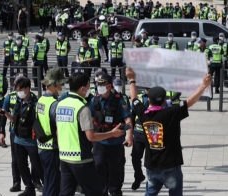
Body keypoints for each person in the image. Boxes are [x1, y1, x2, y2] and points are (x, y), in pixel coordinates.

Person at [126, 68, 212, 196]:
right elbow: (189, 102)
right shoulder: (171, 113)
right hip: (171, 165)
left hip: (152, 166)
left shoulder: (144, 114)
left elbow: (134, 99)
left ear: (148, 100)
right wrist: (203, 86)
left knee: (150, 193)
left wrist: (132, 80)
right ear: (164, 100)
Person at [57, 72, 125, 196]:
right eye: (88, 87)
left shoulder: (60, 105)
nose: (89, 90)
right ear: (82, 88)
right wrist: (112, 133)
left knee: (65, 193)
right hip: (81, 159)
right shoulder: (82, 107)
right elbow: (91, 136)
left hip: (64, 157)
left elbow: (58, 132)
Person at [90, 73, 132, 196]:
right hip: (99, 142)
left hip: (115, 142)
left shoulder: (120, 100)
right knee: (98, 166)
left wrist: (130, 136)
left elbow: (128, 119)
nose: (99, 86)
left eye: (102, 84)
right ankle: (102, 191)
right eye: (98, 84)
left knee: (115, 170)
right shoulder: (95, 100)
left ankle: (115, 191)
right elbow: (91, 119)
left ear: (109, 86)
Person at [0, 78, 44, 196]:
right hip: (18, 139)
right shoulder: (18, 102)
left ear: (27, 89)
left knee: (38, 166)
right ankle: (29, 188)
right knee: (21, 165)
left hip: (31, 141)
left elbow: (40, 121)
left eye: (21, 89)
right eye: (17, 89)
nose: (18, 92)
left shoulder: (35, 103)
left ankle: (47, 186)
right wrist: (5, 113)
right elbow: (14, 119)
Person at [36, 68, 68, 196]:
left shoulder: (41, 100)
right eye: (61, 84)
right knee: (53, 185)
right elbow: (58, 131)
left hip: (42, 146)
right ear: (55, 85)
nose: (63, 86)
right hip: (52, 149)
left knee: (48, 182)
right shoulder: (55, 104)